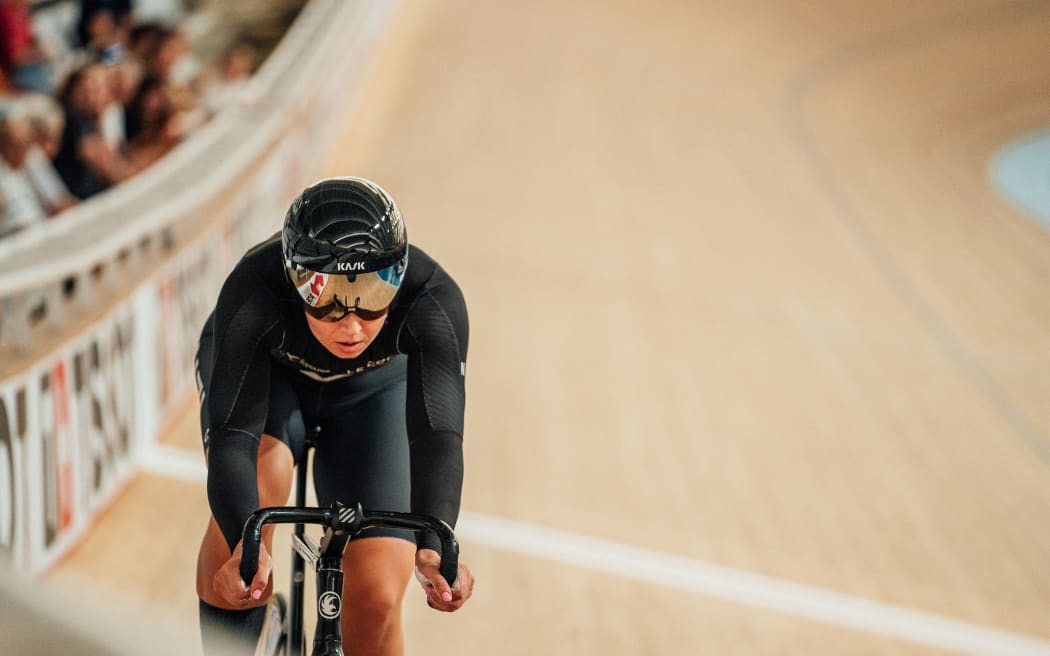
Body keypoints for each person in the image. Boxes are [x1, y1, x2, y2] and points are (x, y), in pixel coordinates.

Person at [195, 177, 475, 655]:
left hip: (373, 390)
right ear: (294, 276)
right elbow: (232, 438)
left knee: (377, 598)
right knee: (255, 506)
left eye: (372, 296)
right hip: (271, 379)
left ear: (400, 275)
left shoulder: (432, 299)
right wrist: (246, 538)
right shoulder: (254, 287)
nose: (350, 324)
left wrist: (434, 540)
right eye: (324, 298)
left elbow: (438, 437)